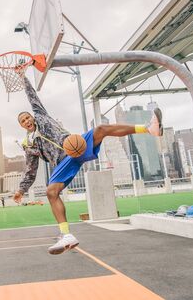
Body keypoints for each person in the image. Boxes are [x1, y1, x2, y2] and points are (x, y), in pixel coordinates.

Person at [14, 77, 163, 255]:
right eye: (23, 121)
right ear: (21, 125)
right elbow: (31, 169)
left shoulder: (42, 117)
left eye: (27, 117)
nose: (27, 120)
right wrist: (22, 190)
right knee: (51, 192)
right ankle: (66, 235)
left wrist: (23, 78)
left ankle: (149, 129)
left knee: (101, 129)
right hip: (63, 162)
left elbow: (32, 97)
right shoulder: (29, 144)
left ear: (32, 116)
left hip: (74, 145)